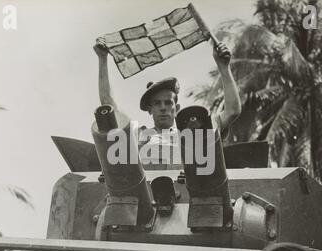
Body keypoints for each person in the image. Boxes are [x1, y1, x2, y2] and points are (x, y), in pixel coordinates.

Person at [93, 37, 241, 165]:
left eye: (168, 103)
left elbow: (232, 111)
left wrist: (224, 67)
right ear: (149, 109)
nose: (163, 108)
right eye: (157, 103)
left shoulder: (193, 134)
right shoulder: (138, 135)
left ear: (176, 108)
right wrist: (102, 59)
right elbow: (108, 103)